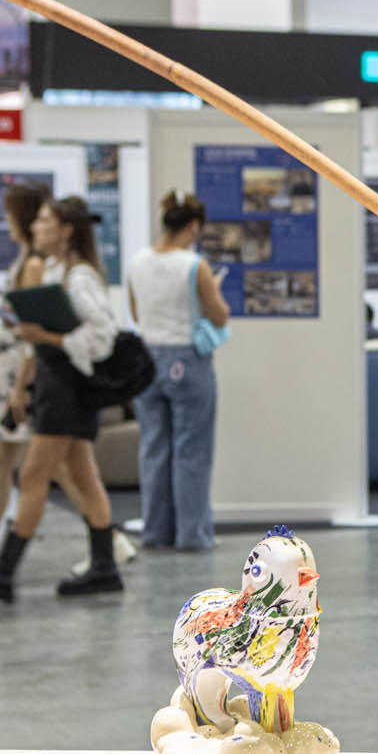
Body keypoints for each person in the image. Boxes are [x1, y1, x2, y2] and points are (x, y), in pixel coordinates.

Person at [0, 184, 135, 580]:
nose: (35, 227)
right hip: (52, 380)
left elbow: (101, 334)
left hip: (65, 385)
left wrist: (44, 343)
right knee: (76, 474)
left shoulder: (74, 276)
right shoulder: (59, 271)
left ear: (65, 230)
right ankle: (105, 560)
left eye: (44, 220)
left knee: (35, 474)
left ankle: (3, 570)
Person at [126, 189, 227, 551]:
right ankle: (192, 535)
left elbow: (136, 313)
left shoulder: (137, 261)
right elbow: (219, 315)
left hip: (147, 359)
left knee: (153, 448)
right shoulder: (194, 265)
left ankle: (155, 532)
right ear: (193, 227)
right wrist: (212, 291)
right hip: (187, 359)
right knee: (191, 451)